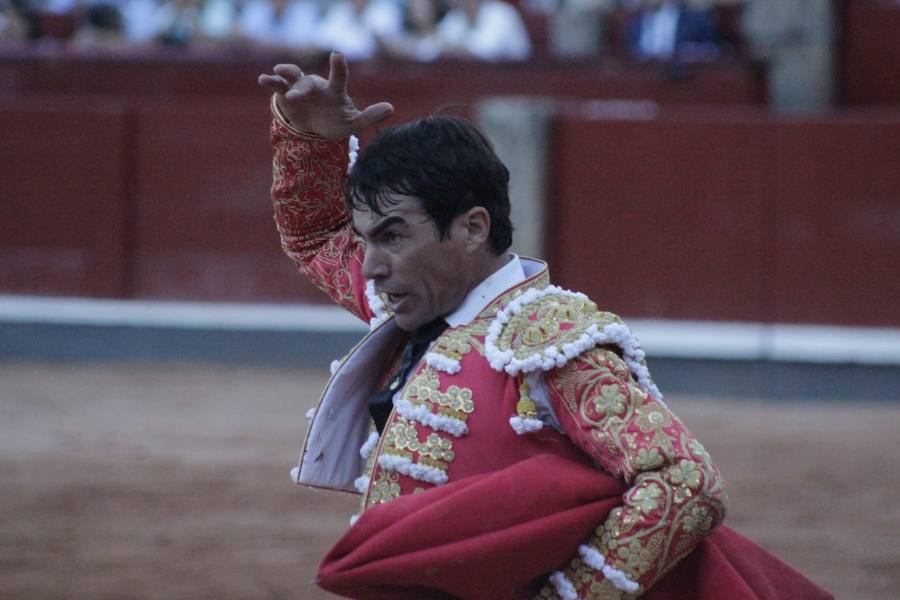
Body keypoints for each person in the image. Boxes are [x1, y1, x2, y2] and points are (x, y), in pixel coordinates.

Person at [257, 54, 833, 599]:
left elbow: (683, 482)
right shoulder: (415, 301)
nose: (373, 266)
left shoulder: (543, 338)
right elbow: (313, 235)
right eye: (366, 240)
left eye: (392, 236)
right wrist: (312, 143)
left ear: (472, 229)